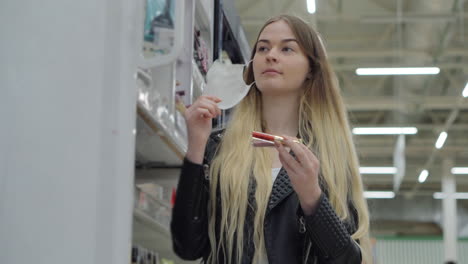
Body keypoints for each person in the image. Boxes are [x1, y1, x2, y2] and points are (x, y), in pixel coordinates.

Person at [171, 14, 371, 264]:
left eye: (287, 48)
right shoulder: (219, 148)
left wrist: (312, 199)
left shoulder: (328, 158)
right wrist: (195, 149)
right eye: (263, 48)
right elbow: (187, 247)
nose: (271, 55)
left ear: (311, 69)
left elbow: (348, 260)